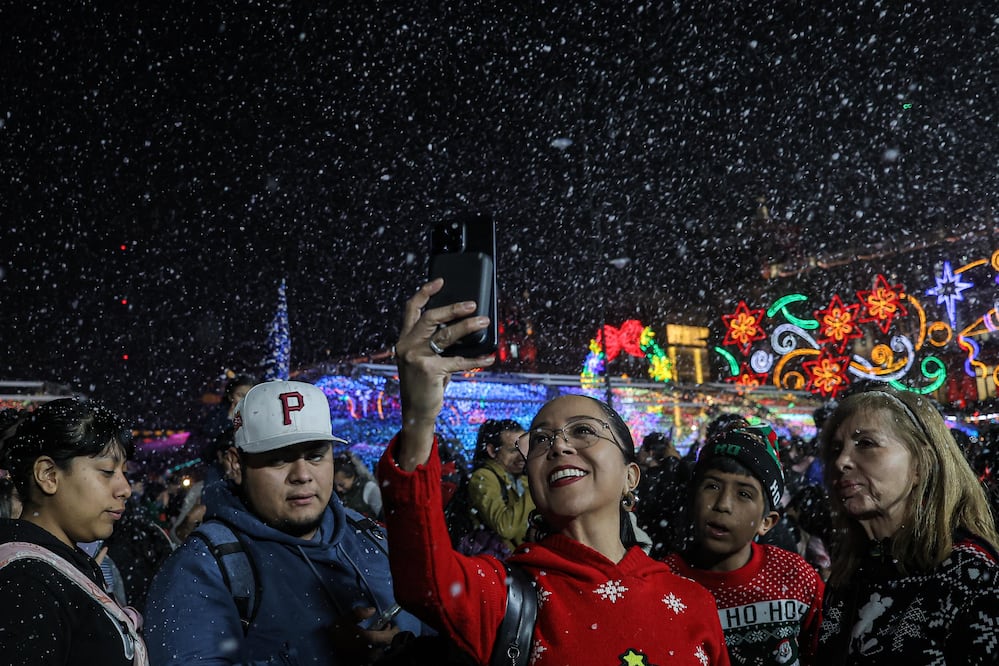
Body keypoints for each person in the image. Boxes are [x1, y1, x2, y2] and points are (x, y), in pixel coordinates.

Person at [376, 279, 730, 665]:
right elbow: (423, 579)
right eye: (541, 440)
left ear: (631, 475)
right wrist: (419, 417)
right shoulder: (504, 595)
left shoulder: (694, 603)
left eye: (583, 431)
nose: (559, 446)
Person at [144, 379, 427, 666]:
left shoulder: (371, 538)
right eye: (279, 459)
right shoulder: (202, 568)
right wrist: (321, 656)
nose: (302, 474)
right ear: (236, 465)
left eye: (316, 455)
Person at [816, 384, 999, 664]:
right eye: (835, 448)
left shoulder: (971, 577)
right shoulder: (851, 575)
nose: (841, 461)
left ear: (920, 464)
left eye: (866, 443)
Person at [0, 398, 147, 666]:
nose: (125, 489)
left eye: (124, 473)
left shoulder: (58, 567)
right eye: (107, 471)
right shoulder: (27, 583)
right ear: (49, 475)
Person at [665, 423, 824, 665]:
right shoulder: (663, 582)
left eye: (744, 494)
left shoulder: (795, 576)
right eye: (712, 486)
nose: (723, 504)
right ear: (692, 498)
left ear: (767, 522)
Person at [462, 418, 534, 557]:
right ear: (491, 451)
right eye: (514, 450)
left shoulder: (521, 479)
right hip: (497, 563)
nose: (522, 457)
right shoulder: (482, 478)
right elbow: (505, 527)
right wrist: (533, 489)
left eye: (524, 449)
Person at [334, 451, 383, 520]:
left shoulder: (369, 489)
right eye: (336, 485)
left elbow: (383, 518)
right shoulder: (338, 493)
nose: (339, 489)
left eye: (341, 485)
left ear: (352, 476)